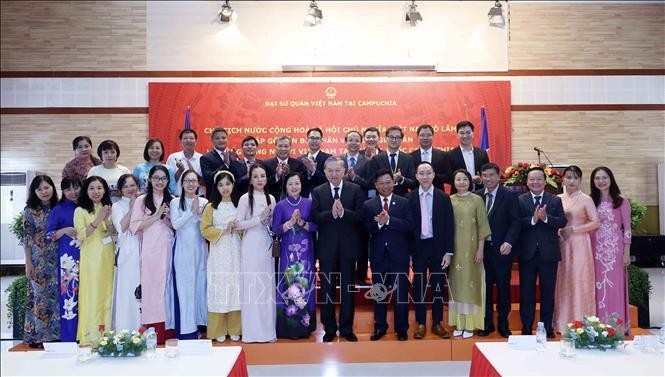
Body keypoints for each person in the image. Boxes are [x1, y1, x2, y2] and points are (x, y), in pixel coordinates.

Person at [311, 156, 365, 343]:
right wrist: (331, 214)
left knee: (347, 290)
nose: (334, 174)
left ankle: (347, 328)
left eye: (337, 170)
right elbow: (315, 217)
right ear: (324, 172)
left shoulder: (355, 189)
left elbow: (360, 216)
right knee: (326, 289)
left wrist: (343, 213)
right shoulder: (318, 191)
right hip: (326, 249)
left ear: (344, 171)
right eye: (330, 171)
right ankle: (330, 328)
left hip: (348, 248)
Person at [364, 169, 414, 341]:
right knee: (379, 293)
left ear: (393, 182)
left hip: (399, 255)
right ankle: (380, 327)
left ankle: (401, 328)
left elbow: (409, 225)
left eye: (388, 182)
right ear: (376, 185)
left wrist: (389, 221)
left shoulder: (404, 202)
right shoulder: (369, 205)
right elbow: (365, 229)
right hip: (378, 256)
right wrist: (378, 224)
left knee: (400, 294)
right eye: (381, 183)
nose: (385, 186)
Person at [518, 167, 567, 338]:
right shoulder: (520, 200)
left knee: (548, 292)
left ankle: (547, 327)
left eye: (538, 179)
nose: (535, 182)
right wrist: (532, 219)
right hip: (527, 253)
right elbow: (516, 223)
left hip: (549, 254)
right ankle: (526, 326)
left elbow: (562, 221)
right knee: (526, 292)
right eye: (532, 179)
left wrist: (546, 218)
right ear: (527, 181)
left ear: (545, 182)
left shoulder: (554, 200)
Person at [407, 162, 455, 340]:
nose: (425, 176)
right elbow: (408, 229)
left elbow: (450, 226)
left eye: (428, 173)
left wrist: (449, 252)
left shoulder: (443, 197)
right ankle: (420, 323)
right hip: (418, 248)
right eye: (422, 173)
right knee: (418, 286)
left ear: (434, 175)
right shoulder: (410, 198)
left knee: (437, 286)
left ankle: (437, 322)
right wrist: (410, 254)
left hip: (438, 248)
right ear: (417, 176)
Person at [129, 165, 175, 344]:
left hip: (169, 247)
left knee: (168, 287)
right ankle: (154, 331)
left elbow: (176, 228)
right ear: (149, 179)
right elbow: (135, 227)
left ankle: (170, 330)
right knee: (152, 288)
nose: (160, 181)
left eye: (163, 178)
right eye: (156, 178)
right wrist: (155, 216)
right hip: (150, 249)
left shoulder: (173, 200)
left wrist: (167, 220)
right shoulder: (141, 200)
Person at [475, 163, 520, 338]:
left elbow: (515, 221)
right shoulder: (477, 196)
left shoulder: (509, 196)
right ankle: (487, 324)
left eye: (491, 175)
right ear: (481, 176)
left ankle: (503, 324)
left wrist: (509, 242)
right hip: (482, 250)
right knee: (484, 289)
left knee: (503, 288)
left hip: (502, 251)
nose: (488, 179)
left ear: (498, 175)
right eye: (484, 175)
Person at [554, 166, 600, 334]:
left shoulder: (586, 199)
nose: (571, 181)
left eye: (575, 177)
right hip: (562, 243)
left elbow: (595, 222)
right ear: (563, 179)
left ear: (580, 180)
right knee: (564, 280)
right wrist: (559, 232)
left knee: (580, 279)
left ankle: (581, 322)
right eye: (568, 177)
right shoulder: (557, 198)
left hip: (580, 243)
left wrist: (573, 229)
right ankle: (563, 322)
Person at [272, 172, 318, 339]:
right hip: (287, 253)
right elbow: (275, 229)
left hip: (306, 252)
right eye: (290, 184)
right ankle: (287, 327)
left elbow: (315, 226)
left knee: (305, 285)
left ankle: (305, 326)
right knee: (288, 284)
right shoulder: (280, 205)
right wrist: (290, 223)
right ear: (286, 186)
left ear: (301, 185)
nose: (294, 187)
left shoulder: (309, 203)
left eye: (297, 183)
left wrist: (301, 223)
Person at [235, 162, 276, 343]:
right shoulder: (245, 198)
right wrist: (259, 219)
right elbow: (238, 224)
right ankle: (252, 333)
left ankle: (267, 332)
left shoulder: (272, 198)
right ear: (250, 180)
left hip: (266, 245)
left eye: (262, 176)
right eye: (256, 176)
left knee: (266, 287)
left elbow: (272, 224)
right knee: (252, 287)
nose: (260, 180)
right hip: (251, 244)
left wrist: (269, 222)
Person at [448, 169, 491, 339]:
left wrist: (480, 249)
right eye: (458, 179)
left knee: (470, 285)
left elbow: (482, 226)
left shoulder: (477, 200)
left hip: (473, 250)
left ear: (470, 181)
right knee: (457, 285)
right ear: (453, 182)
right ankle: (459, 323)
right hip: (455, 250)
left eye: (464, 179)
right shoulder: (449, 200)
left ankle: (471, 324)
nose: (461, 182)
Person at [200, 171, 242, 343]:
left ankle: (235, 328)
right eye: (221, 185)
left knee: (235, 287)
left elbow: (245, 227)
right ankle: (217, 329)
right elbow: (204, 229)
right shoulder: (210, 207)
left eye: (228, 184)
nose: (225, 188)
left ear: (233, 185)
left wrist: (238, 228)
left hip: (236, 251)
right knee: (219, 287)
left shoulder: (240, 205)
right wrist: (224, 230)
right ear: (216, 188)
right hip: (218, 252)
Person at [74, 176, 116, 344]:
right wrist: (99, 218)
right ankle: (90, 336)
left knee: (107, 294)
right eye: (92, 188)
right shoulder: (80, 210)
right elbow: (82, 235)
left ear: (105, 190)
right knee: (92, 295)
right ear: (86, 191)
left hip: (108, 256)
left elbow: (113, 233)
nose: (96, 191)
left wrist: (107, 219)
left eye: (99, 188)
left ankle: (106, 333)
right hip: (91, 259)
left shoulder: (108, 208)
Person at [589, 166, 632, 327]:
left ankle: (615, 325)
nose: (601, 181)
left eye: (604, 177)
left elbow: (627, 228)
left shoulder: (620, 200)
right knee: (597, 285)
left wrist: (626, 252)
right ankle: (597, 324)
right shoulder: (591, 200)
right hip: (594, 249)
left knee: (614, 285)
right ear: (593, 181)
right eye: (597, 178)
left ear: (611, 179)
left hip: (614, 250)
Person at [170, 170, 208, 339]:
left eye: (194, 181)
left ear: (198, 184)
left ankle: (201, 326)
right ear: (182, 183)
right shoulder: (175, 202)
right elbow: (176, 225)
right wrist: (191, 211)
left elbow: (207, 227)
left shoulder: (205, 202)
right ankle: (187, 330)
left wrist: (200, 214)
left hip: (200, 249)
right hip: (183, 250)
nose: (191, 184)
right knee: (185, 288)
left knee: (200, 287)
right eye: (187, 181)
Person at [23, 175, 60, 348]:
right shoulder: (30, 210)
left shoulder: (59, 207)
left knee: (57, 298)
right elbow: (27, 238)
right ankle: (38, 337)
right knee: (40, 297)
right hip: (39, 260)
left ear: (53, 188)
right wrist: (28, 263)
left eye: (47, 187)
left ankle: (57, 335)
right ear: (34, 192)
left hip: (59, 258)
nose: (44, 192)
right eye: (40, 189)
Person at [46, 177, 81, 342]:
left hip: (88, 256)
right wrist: (64, 230)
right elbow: (49, 235)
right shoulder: (58, 209)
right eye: (68, 189)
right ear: (63, 191)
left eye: (76, 187)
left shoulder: (86, 206)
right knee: (69, 297)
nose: (73, 192)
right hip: (68, 260)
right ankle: (69, 338)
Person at [111, 174, 141, 332]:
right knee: (127, 290)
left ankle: (143, 328)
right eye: (126, 186)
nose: (130, 189)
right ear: (120, 189)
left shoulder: (144, 202)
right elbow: (122, 227)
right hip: (127, 253)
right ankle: (125, 329)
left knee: (142, 290)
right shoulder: (117, 206)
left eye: (133, 185)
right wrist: (132, 207)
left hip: (143, 250)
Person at [340, 130, 372, 284]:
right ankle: (344, 275)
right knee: (344, 241)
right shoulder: (338, 160)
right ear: (345, 142)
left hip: (361, 206)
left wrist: (354, 177)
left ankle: (360, 276)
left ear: (361, 143)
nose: (353, 143)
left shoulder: (367, 161)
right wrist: (344, 178)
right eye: (350, 140)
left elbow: (369, 184)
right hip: (342, 206)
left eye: (356, 140)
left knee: (361, 241)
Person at [367, 126, 417, 197]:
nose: (394, 140)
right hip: (382, 199)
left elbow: (414, 183)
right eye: (391, 137)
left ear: (402, 139)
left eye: (397, 137)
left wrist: (401, 179)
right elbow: (371, 182)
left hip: (402, 199)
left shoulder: (408, 159)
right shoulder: (377, 158)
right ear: (386, 138)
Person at [445, 121, 490, 194]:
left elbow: (487, 173)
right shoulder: (450, 155)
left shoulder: (482, 153)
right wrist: (465, 180)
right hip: (458, 196)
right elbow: (448, 177)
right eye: (462, 133)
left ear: (473, 134)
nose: (465, 136)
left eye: (468, 132)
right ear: (457, 135)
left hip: (479, 194)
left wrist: (480, 180)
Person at [200, 127, 241, 197]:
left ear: (227, 140)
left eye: (223, 138)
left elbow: (238, 178)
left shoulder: (233, 155)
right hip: (215, 198)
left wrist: (235, 162)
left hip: (233, 198)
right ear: (212, 141)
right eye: (217, 138)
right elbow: (208, 179)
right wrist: (225, 165)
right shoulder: (205, 158)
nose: (221, 140)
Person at [264, 136, 308, 200]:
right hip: (272, 201)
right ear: (275, 147)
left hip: (293, 201)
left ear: (290, 147)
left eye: (286, 146)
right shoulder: (266, 164)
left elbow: (304, 182)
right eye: (280, 146)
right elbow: (264, 184)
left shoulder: (298, 164)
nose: (283, 149)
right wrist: (277, 176)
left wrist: (289, 174)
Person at [409, 124, 449, 189]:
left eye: (428, 135)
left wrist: (431, 176)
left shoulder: (443, 155)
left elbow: (447, 176)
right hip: (416, 193)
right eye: (422, 135)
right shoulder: (411, 157)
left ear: (433, 136)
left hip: (438, 193)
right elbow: (410, 178)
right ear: (417, 137)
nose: (425, 138)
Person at [166, 128, 203, 196]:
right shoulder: (173, 157)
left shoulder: (202, 158)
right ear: (181, 141)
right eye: (185, 138)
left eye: (191, 138)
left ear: (196, 141)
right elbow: (168, 182)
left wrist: (194, 173)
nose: (188, 140)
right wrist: (180, 171)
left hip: (198, 198)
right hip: (177, 198)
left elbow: (204, 183)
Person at [298, 127, 332, 194]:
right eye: (312, 138)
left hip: (321, 196)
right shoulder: (300, 159)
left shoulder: (328, 158)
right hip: (304, 197)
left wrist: (314, 170)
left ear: (321, 140)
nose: (314, 141)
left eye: (317, 138)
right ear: (307, 140)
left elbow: (329, 180)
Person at [234, 135, 262, 202]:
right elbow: (234, 184)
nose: (249, 147)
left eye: (252, 145)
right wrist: (247, 176)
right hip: (241, 200)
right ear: (242, 148)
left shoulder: (262, 164)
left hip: (259, 200)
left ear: (257, 148)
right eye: (246, 145)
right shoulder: (235, 164)